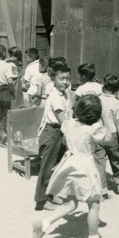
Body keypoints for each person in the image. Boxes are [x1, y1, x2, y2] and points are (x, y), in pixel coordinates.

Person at [32, 94, 113, 238]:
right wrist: (104, 120)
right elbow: (108, 138)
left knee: (71, 203)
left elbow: (64, 141)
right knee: (94, 204)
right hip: (84, 167)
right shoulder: (94, 128)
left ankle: (44, 224)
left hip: (70, 164)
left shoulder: (69, 124)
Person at [33, 62, 72, 211]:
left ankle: (51, 193)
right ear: (53, 79)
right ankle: (41, 200)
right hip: (52, 132)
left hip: (60, 132)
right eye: (62, 78)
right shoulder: (55, 96)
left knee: (57, 167)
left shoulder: (66, 93)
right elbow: (62, 118)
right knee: (48, 167)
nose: (65, 82)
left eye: (68, 78)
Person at [95, 74, 119, 196]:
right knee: (116, 160)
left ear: (103, 85)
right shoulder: (117, 103)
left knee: (99, 163)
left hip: (98, 135)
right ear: (117, 89)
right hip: (112, 135)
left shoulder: (97, 99)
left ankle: (102, 187)